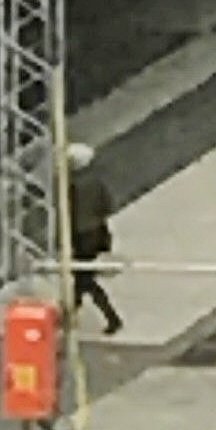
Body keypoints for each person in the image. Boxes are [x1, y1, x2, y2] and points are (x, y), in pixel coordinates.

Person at [67, 143, 124, 336]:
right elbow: (108, 205)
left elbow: (68, 213)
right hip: (97, 232)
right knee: (81, 276)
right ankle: (72, 310)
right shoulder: (95, 182)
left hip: (81, 235)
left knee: (84, 278)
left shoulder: (71, 185)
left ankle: (111, 317)